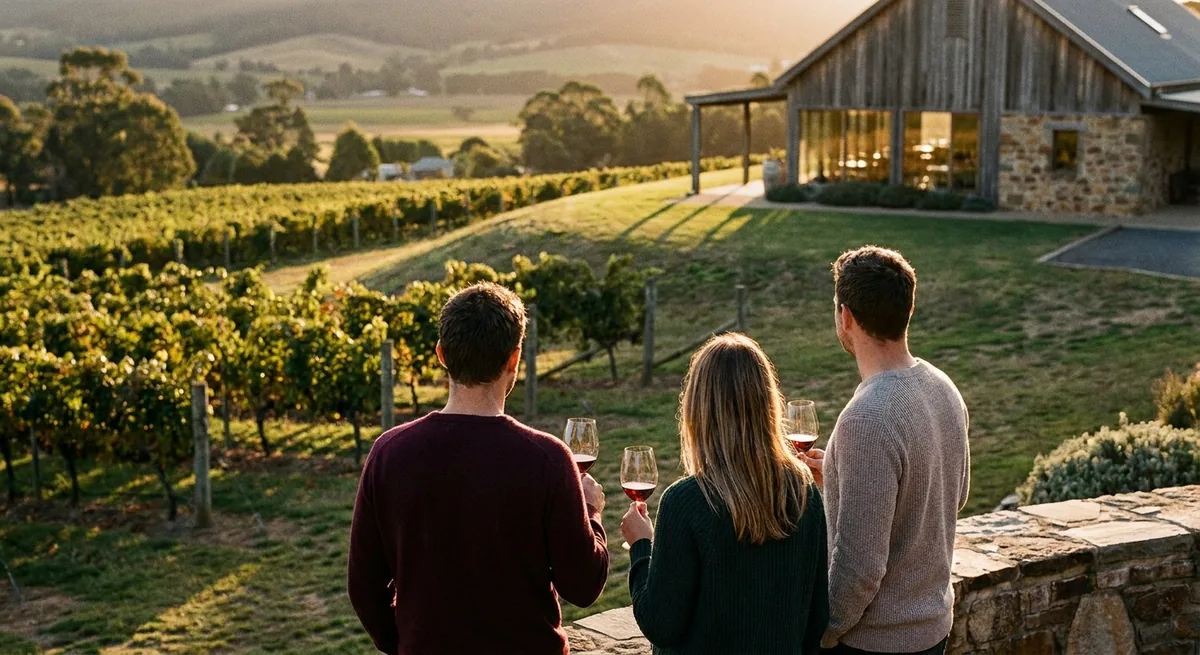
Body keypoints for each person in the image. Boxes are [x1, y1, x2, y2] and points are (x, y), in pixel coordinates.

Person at [347, 282, 610, 655]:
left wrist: (407, 643)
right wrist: (592, 511)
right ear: (514, 360)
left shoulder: (388, 453)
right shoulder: (547, 459)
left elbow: (364, 586)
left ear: (441, 354)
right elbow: (583, 587)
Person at [800, 246, 970, 655]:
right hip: (932, 630)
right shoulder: (942, 386)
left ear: (846, 318)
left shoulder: (867, 419)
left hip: (875, 643)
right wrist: (841, 481)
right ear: (908, 311)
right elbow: (954, 494)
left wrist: (822, 635)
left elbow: (859, 568)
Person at [621, 333, 829, 654]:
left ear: (697, 410)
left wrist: (641, 547)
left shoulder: (685, 502)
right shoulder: (803, 490)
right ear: (768, 405)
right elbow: (817, 618)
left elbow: (661, 624)